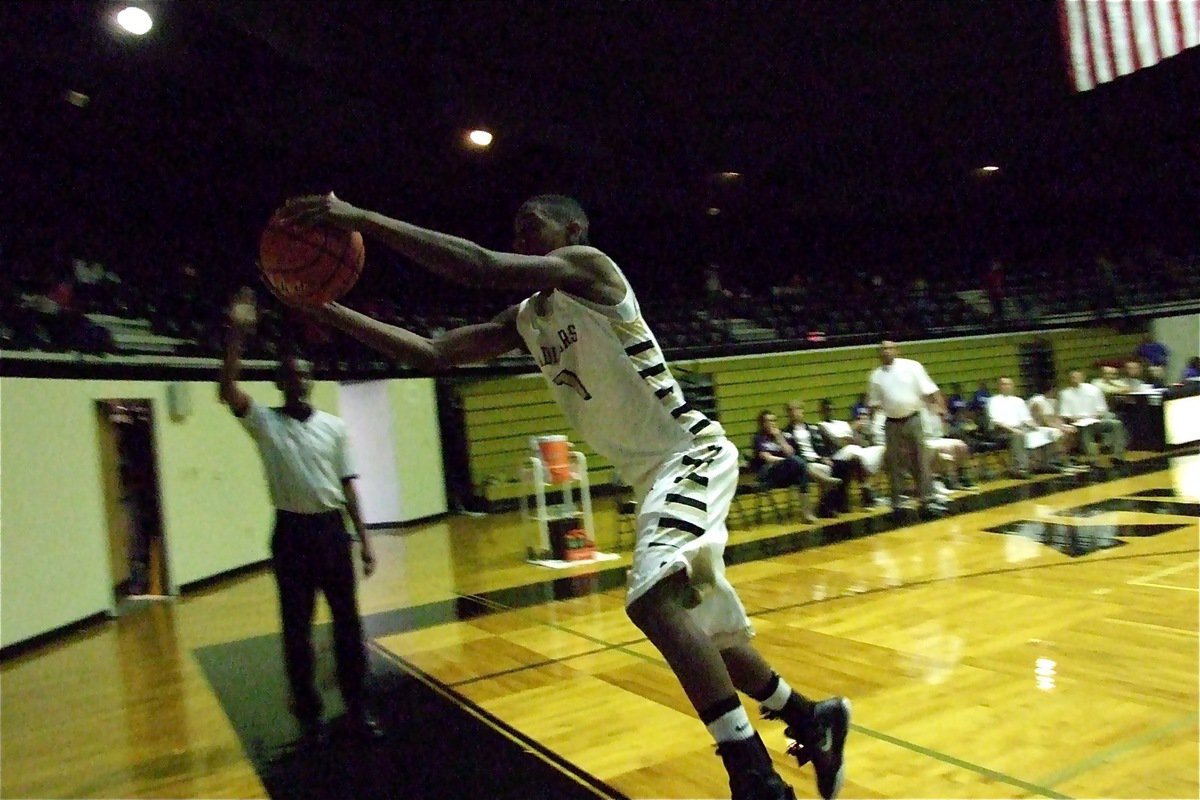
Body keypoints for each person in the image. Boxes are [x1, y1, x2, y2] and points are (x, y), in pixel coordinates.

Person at [275, 192, 849, 800]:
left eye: (531, 228)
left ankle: (755, 779)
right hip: (653, 477)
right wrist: (326, 307)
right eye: (515, 232)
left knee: (653, 603)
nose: (520, 241)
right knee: (709, 634)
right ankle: (811, 718)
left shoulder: (592, 270)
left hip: (690, 455)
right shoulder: (526, 319)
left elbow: (481, 265)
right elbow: (433, 352)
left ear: (573, 230)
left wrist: (363, 219)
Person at [218, 288, 381, 747]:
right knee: (297, 628)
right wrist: (237, 336)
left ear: (310, 379)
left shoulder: (334, 427)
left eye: (304, 373)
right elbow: (227, 390)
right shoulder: (264, 422)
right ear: (280, 383)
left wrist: (365, 541)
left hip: (332, 532)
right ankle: (308, 712)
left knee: (348, 623)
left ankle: (357, 705)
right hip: (291, 533)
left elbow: (348, 484)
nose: (298, 380)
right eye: (290, 375)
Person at [867, 340, 946, 519]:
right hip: (891, 422)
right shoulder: (875, 376)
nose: (886, 352)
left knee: (920, 460)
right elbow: (873, 403)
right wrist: (871, 424)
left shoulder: (912, 367)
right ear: (878, 353)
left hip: (913, 418)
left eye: (889, 348)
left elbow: (931, 390)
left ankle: (927, 499)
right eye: (882, 349)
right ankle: (897, 503)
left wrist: (941, 410)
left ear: (897, 350)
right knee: (893, 463)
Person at [751, 409, 819, 524]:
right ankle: (821, 479)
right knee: (797, 463)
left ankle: (807, 513)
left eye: (774, 420)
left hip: (784, 473)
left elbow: (790, 452)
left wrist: (779, 437)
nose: (772, 423)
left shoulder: (782, 435)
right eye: (769, 421)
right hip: (768, 474)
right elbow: (767, 457)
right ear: (762, 423)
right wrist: (786, 461)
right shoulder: (759, 438)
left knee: (800, 474)